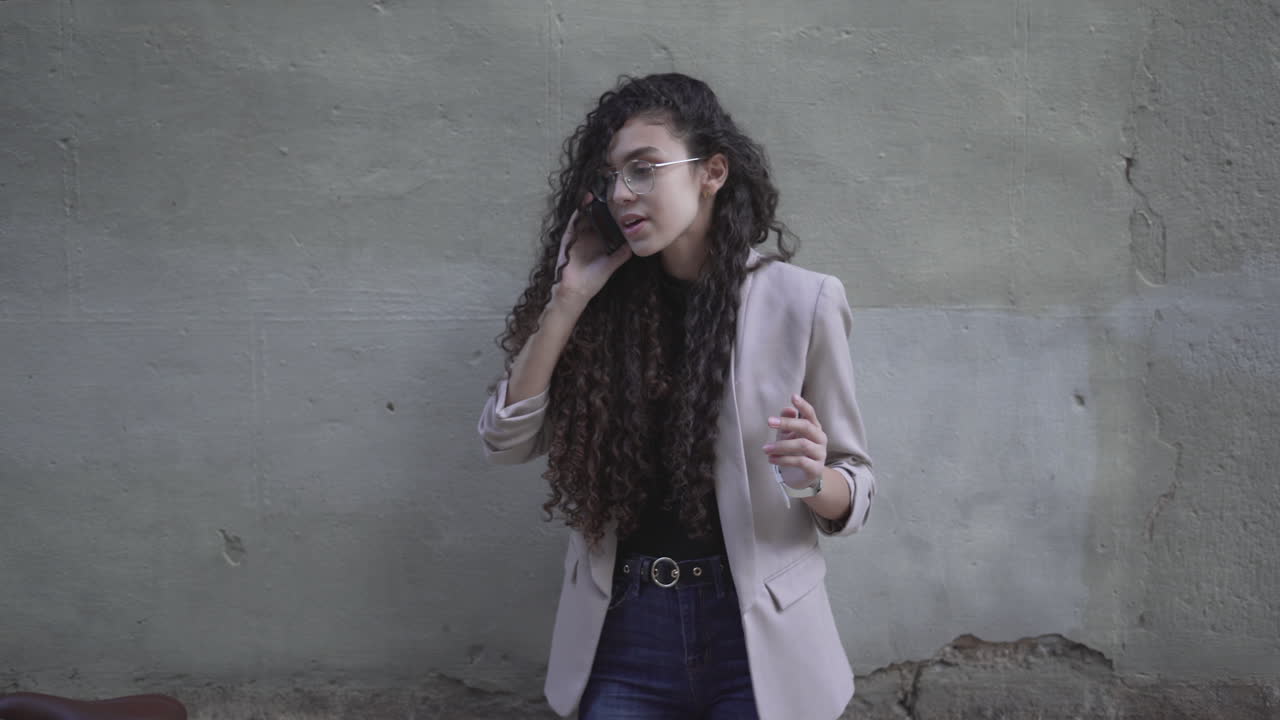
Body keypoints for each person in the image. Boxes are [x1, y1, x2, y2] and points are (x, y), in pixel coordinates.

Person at [476, 73, 876, 720]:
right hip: (625, 628)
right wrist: (569, 297)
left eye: (643, 169)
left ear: (711, 173)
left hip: (756, 636)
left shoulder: (803, 301)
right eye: (611, 176)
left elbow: (854, 489)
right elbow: (504, 441)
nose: (621, 193)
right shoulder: (602, 306)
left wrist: (810, 479)